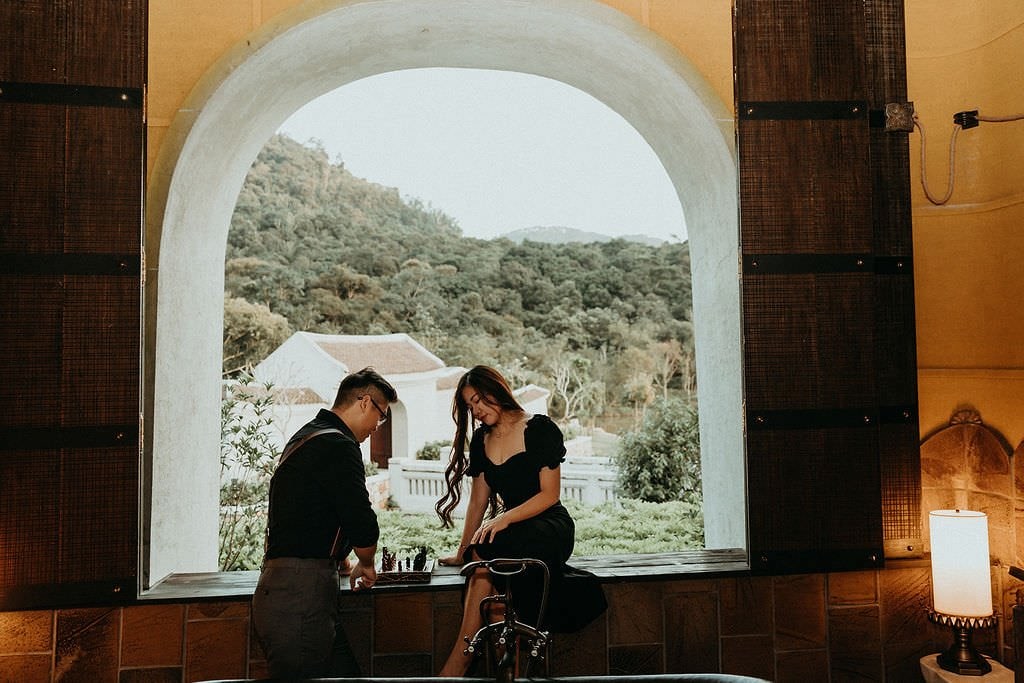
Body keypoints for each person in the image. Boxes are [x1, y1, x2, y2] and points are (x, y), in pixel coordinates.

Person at [434, 365, 580, 677]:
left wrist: (504, 519)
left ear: (496, 392)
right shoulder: (481, 440)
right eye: (470, 405)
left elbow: (549, 495)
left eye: (478, 400)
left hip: (549, 526)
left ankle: (461, 659)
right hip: (510, 533)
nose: (475, 410)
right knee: (484, 554)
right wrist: (463, 550)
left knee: (490, 547)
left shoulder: (539, 428)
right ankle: (507, 666)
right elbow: (477, 501)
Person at [252, 367, 398, 679]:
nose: (378, 426)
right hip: (300, 594)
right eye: (381, 414)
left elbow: (308, 511)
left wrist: (340, 557)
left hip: (287, 589)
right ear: (363, 403)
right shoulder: (339, 445)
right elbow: (359, 517)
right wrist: (367, 562)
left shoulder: (308, 435)